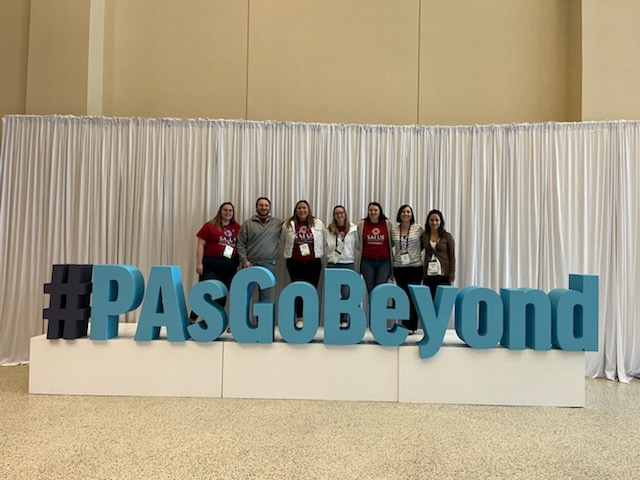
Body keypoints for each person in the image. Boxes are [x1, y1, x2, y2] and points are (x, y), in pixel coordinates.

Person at [191, 202, 241, 322]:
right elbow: (200, 245)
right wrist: (199, 263)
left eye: (230, 210)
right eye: (225, 210)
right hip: (211, 265)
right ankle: (192, 319)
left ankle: (214, 322)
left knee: (222, 293)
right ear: (220, 211)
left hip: (229, 266)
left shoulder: (237, 227)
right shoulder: (209, 226)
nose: (227, 212)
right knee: (206, 293)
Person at [282, 200, 325, 328]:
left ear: (308, 209)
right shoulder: (288, 224)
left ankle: (310, 318)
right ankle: (299, 317)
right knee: (297, 290)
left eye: (304, 208)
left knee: (312, 290)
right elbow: (282, 238)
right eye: (299, 208)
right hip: (295, 262)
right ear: (296, 210)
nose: (302, 210)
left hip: (314, 262)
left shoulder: (317, 223)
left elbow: (324, 238)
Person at [236, 197, 283, 302]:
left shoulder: (278, 223)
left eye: (266, 205)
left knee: (265, 297)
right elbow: (240, 243)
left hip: (269, 264)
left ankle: (262, 319)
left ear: (270, 207)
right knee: (246, 295)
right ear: (256, 207)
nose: (264, 208)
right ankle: (242, 318)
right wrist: (244, 261)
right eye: (261, 205)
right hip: (250, 264)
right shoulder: (247, 224)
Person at [391, 205, 424, 334]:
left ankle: (412, 326)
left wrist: (413, 254)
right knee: (403, 297)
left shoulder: (418, 228)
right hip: (399, 267)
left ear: (412, 214)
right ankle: (404, 325)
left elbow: (423, 244)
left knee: (413, 296)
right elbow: (391, 245)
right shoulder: (394, 229)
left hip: (415, 267)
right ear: (399, 214)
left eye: (408, 211)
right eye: (403, 211)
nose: (406, 214)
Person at [325, 205, 358, 327]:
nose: (339, 215)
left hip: (348, 263)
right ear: (334, 215)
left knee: (346, 294)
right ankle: (334, 320)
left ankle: (344, 320)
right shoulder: (328, 229)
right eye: (337, 213)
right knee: (333, 295)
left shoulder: (353, 229)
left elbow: (358, 245)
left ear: (345, 214)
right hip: (333, 263)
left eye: (341, 213)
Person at [356, 202, 394, 293]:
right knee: (370, 289)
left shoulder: (388, 223)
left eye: (375, 210)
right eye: (371, 210)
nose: (373, 212)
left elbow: (392, 242)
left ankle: (378, 307)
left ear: (380, 211)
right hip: (367, 261)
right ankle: (371, 307)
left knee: (380, 289)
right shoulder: (362, 224)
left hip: (384, 262)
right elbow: (358, 241)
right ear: (368, 212)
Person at [422, 209, 456, 299]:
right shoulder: (424, 236)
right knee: (429, 301)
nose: (434, 222)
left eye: (437, 220)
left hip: (443, 274)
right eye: (432, 220)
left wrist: (452, 273)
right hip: (429, 274)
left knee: (442, 302)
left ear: (441, 221)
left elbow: (452, 256)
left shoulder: (447, 236)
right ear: (428, 221)